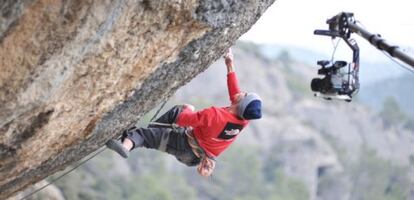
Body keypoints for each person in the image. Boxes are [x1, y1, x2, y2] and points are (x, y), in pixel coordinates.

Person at [106, 48, 262, 177]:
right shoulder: (242, 120)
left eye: (246, 94)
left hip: (184, 143)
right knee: (153, 136)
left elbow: (182, 119)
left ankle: (125, 147)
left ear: (241, 103)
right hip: (194, 158)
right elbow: (235, 93)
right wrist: (230, 64)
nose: (244, 92)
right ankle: (146, 133)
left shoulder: (214, 115)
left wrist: (189, 108)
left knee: (151, 130)